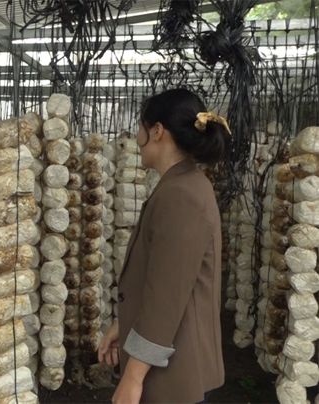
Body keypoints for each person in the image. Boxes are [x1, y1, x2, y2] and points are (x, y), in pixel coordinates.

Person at [98, 88, 229, 404]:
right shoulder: (182, 185)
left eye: (140, 127)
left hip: (174, 377)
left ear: (156, 131)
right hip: (174, 364)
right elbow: (164, 278)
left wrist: (133, 378)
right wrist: (124, 323)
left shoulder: (182, 196)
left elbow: (166, 298)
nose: (137, 135)